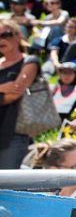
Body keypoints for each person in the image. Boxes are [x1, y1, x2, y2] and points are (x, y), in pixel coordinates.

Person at [0, 20, 40, 169]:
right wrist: (3, 87)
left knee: (8, 184)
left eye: (6, 34)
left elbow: (15, 93)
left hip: (14, 132)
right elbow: (9, 92)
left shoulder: (29, 61)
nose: (1, 40)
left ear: (18, 36)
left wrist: (6, 90)